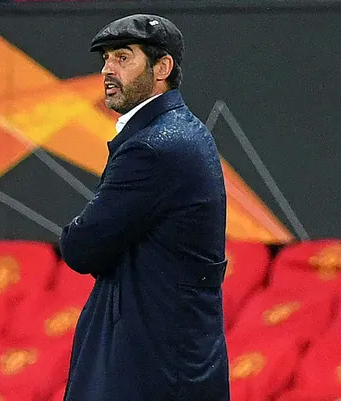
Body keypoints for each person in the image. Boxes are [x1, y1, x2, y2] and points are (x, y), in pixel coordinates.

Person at [59, 14, 230, 401]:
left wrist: (83, 239)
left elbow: (81, 247)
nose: (107, 70)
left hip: (151, 365)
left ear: (162, 67)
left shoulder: (152, 147)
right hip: (170, 356)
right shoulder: (181, 131)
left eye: (123, 57)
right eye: (105, 59)